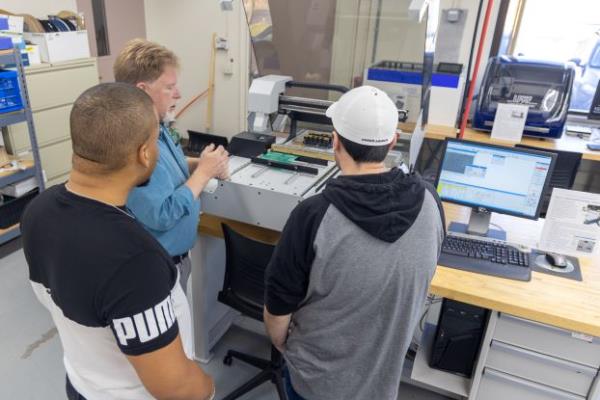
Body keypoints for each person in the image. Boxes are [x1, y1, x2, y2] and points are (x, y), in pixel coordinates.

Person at [22, 83, 214, 400]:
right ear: (144, 153)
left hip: (82, 384)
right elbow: (176, 387)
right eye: (155, 141)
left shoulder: (37, 212)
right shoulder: (135, 261)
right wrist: (209, 387)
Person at [263, 86, 445, 400]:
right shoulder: (430, 202)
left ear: (334, 142)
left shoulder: (313, 215)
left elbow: (278, 311)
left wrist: (282, 345)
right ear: (391, 143)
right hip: (380, 384)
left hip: (314, 384)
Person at [114, 39, 229, 293]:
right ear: (142, 91)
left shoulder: (158, 126)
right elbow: (162, 214)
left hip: (175, 258)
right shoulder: (134, 146)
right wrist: (203, 173)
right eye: (170, 87)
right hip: (156, 268)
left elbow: (170, 165)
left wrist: (201, 163)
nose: (178, 94)